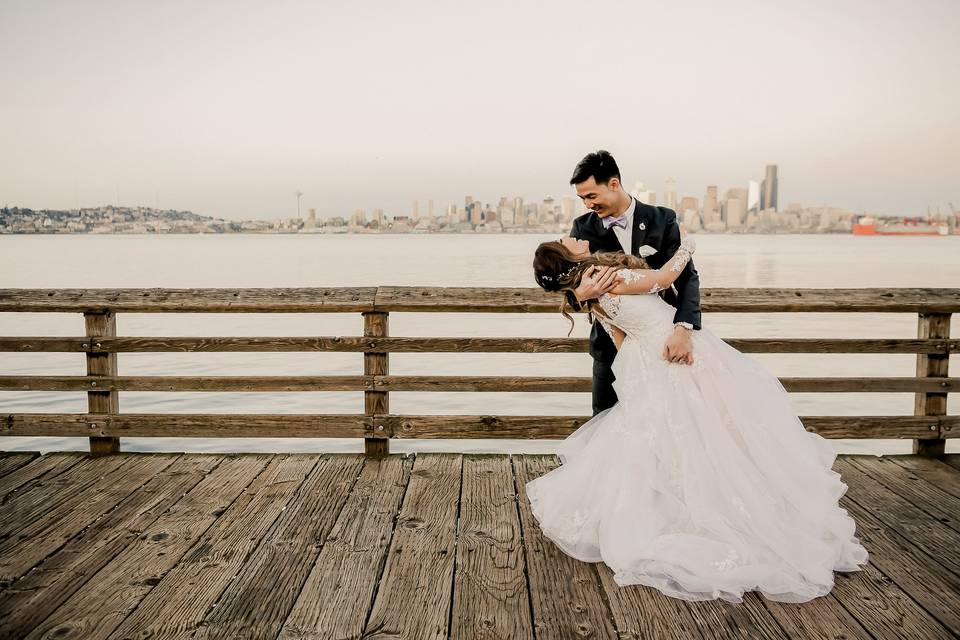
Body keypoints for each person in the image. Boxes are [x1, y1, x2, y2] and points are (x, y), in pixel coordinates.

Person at [525, 233, 869, 603]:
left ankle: (678, 508)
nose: (572, 235)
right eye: (565, 239)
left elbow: (622, 339)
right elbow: (663, 280)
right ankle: (723, 515)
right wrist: (687, 248)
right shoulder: (605, 277)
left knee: (682, 438)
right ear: (566, 256)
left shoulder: (591, 291)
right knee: (717, 429)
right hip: (677, 357)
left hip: (654, 356)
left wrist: (644, 370)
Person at [566, 150, 701, 417]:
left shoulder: (663, 219)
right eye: (582, 198)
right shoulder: (582, 229)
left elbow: (687, 279)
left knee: (667, 419)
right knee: (605, 422)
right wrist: (579, 294)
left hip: (663, 343)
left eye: (592, 196)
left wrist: (683, 330)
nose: (587, 204)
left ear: (614, 184)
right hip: (609, 349)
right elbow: (569, 285)